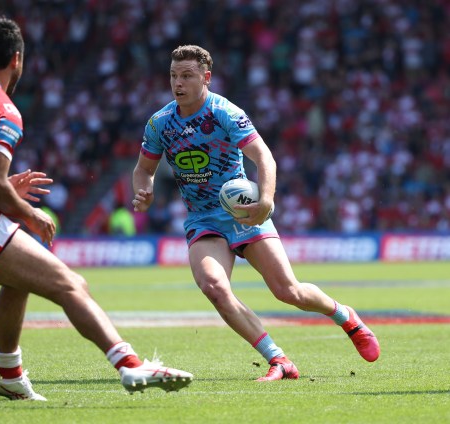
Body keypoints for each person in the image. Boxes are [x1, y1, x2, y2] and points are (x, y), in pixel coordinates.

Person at [0, 17, 192, 401]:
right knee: (70, 284)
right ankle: (130, 364)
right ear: (17, 60)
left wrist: (7, 190)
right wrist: (29, 212)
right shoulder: (2, 106)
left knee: (21, 277)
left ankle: (8, 372)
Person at [132, 45, 380, 381]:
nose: (178, 83)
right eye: (174, 76)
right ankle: (279, 360)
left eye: (187, 76)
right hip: (203, 219)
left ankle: (345, 316)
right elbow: (143, 169)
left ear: (206, 78)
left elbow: (264, 158)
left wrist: (266, 201)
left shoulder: (226, 113)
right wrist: (143, 191)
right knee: (214, 288)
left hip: (244, 212)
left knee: (288, 291)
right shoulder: (160, 123)